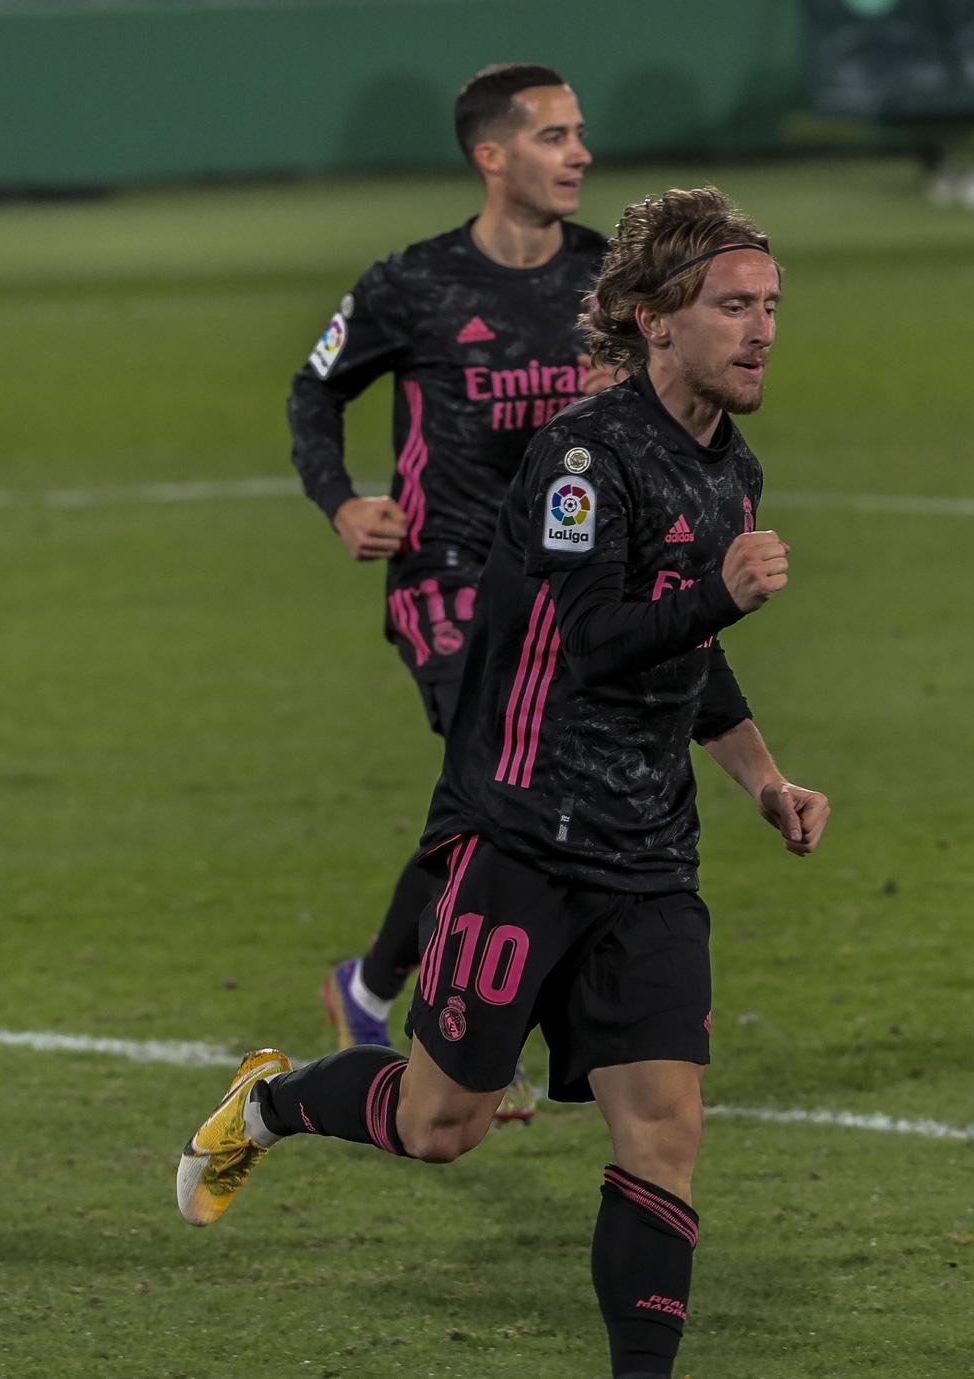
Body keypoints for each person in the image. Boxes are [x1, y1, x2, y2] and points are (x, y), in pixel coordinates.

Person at [183, 187, 829, 1379]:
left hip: (648, 853)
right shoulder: (583, 453)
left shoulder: (729, 467)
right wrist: (723, 592)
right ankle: (271, 1102)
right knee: (441, 1127)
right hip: (522, 828)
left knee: (664, 1130)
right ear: (654, 319)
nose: (760, 330)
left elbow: (693, 652)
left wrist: (763, 778)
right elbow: (595, 635)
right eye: (732, 306)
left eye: (770, 306)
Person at [286, 62, 614, 1120]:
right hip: (448, 572)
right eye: (555, 136)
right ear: (492, 154)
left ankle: (374, 982)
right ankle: (472, 1026)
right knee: (505, 784)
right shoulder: (413, 284)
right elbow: (315, 387)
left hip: (564, 579)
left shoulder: (609, 281)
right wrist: (342, 502)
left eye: (577, 135)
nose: (579, 155)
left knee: (500, 793)